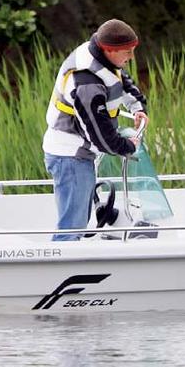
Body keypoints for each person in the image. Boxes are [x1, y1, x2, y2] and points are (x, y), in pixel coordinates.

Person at [43, 19, 149, 240]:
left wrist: (137, 106)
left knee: (78, 220)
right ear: (109, 50)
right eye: (127, 52)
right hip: (69, 156)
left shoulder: (102, 57)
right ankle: (64, 267)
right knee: (73, 226)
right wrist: (126, 147)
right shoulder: (86, 82)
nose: (130, 57)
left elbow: (120, 80)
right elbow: (99, 135)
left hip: (79, 153)